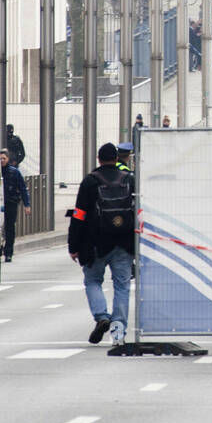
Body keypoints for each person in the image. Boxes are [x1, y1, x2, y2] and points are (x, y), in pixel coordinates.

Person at [70, 142, 136, 347]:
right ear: (117, 159)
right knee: (122, 286)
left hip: (95, 243)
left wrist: (74, 245)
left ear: (98, 159)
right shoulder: (129, 180)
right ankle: (118, 331)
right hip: (124, 243)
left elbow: (79, 215)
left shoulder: (90, 182)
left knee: (92, 281)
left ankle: (101, 317)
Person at [0, 148, 31, 262]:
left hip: (10, 203)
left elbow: (22, 188)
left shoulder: (14, 172)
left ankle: (8, 252)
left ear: (8, 159)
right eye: (0, 159)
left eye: (4, 158)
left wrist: (27, 204)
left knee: (9, 228)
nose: (2, 161)